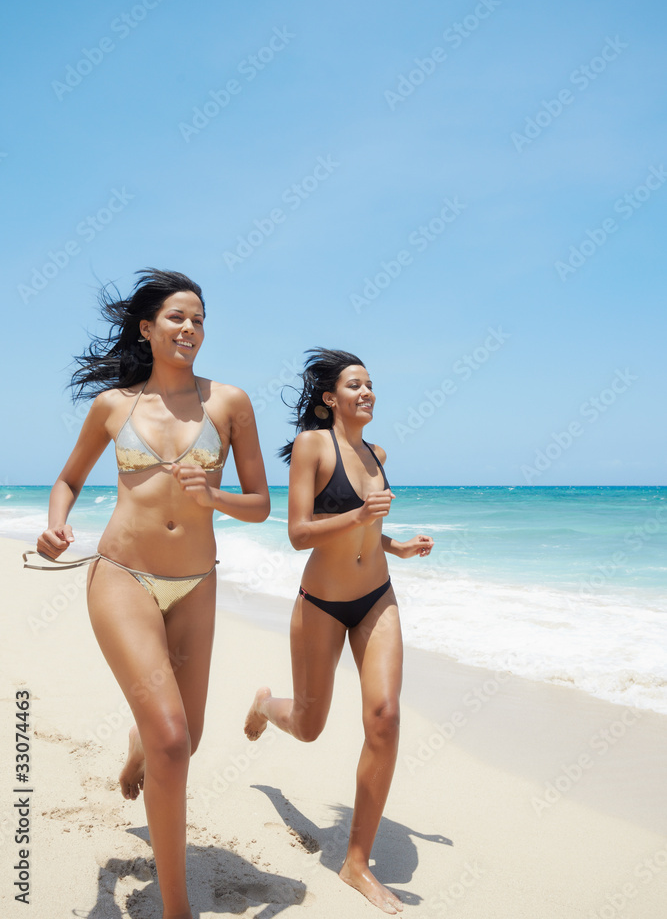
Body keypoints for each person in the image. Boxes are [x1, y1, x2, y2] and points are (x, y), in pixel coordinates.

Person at [27, 269, 270, 919]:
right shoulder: (116, 407)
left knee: (178, 743)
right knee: (173, 740)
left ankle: (137, 746)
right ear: (147, 327)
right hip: (122, 576)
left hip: (197, 583)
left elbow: (260, 505)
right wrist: (55, 526)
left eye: (198, 320)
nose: (190, 329)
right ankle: (176, 910)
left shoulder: (230, 403)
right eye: (177, 319)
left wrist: (212, 495)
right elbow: (67, 480)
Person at [244, 348, 433, 916]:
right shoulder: (313, 446)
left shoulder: (377, 454)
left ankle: (356, 862)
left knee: (385, 716)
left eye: (371, 383)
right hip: (322, 603)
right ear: (330, 398)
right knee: (308, 725)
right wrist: (361, 517)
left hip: (378, 598)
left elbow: (368, 533)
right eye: (355, 384)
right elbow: (299, 532)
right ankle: (264, 705)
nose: (367, 391)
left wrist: (395, 544)